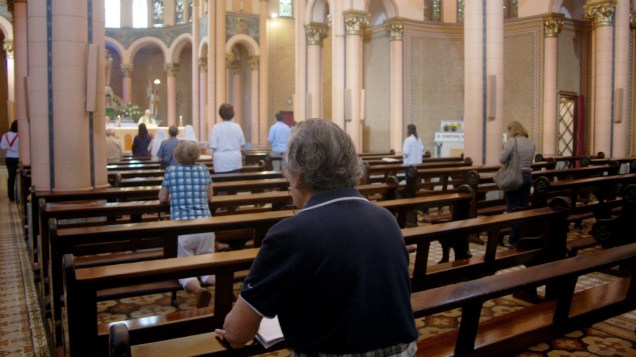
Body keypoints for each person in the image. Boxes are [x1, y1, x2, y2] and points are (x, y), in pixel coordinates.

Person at [215, 119, 418, 355]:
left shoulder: (290, 234)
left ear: (298, 172)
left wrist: (232, 332)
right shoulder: (386, 219)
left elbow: (238, 332)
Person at [158, 141, 215, 308]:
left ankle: (198, 291)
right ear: (196, 155)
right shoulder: (204, 170)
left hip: (183, 228)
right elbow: (210, 197)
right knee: (207, 268)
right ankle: (231, 289)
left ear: (177, 155)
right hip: (205, 225)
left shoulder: (171, 171)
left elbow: (162, 198)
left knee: (183, 268)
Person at [500, 120, 536, 247]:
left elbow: (502, 159)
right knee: (523, 207)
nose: (508, 133)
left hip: (514, 177)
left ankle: (513, 240)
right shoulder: (531, 143)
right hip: (527, 176)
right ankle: (522, 237)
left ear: (513, 130)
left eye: (509, 130)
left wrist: (504, 149)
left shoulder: (512, 142)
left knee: (513, 209)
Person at [208, 103, 245, 173]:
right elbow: (242, 143)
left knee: (221, 182)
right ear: (233, 114)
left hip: (221, 162)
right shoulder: (237, 127)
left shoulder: (216, 127)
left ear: (220, 114)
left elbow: (213, 146)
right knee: (236, 182)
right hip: (235, 161)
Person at [0, 120, 18, 201]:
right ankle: (19, 194)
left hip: (9, 158)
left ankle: (11, 195)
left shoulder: (5, 135)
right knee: (20, 177)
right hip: (18, 158)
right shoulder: (20, 135)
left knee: (11, 177)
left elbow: (2, 147)